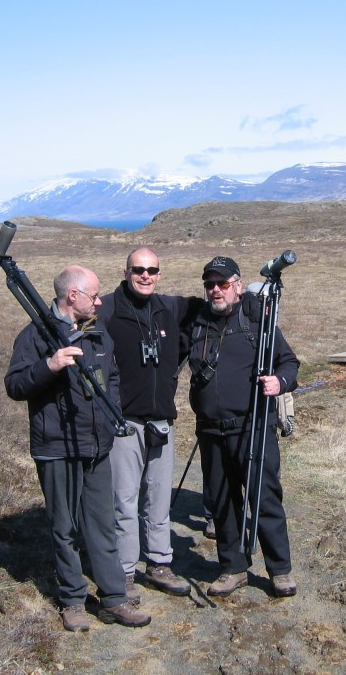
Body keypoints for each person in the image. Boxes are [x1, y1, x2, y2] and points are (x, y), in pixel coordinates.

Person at [4, 264, 151, 631]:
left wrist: (111, 414)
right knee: (65, 527)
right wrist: (49, 366)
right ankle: (72, 600)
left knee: (102, 524)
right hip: (57, 448)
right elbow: (15, 385)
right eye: (94, 295)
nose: (99, 302)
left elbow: (111, 377)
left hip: (96, 446)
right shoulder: (35, 335)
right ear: (73, 295)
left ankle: (114, 598)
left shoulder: (96, 332)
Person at [186, 255, 300, 598]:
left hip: (253, 428)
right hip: (210, 430)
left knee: (264, 498)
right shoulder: (197, 323)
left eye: (222, 283)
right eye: (210, 284)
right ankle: (233, 568)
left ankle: (280, 570)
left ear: (237, 285)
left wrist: (280, 382)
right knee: (223, 503)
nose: (215, 290)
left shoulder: (256, 320)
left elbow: (289, 362)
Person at [97, 247, 201, 600]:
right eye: (138, 269)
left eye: (152, 270)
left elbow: (212, 306)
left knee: (158, 498)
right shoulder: (107, 309)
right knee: (123, 500)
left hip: (162, 422)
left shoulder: (168, 308)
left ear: (159, 274)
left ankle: (159, 563)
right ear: (125, 272)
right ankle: (124, 572)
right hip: (124, 424)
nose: (145, 275)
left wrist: (250, 301)